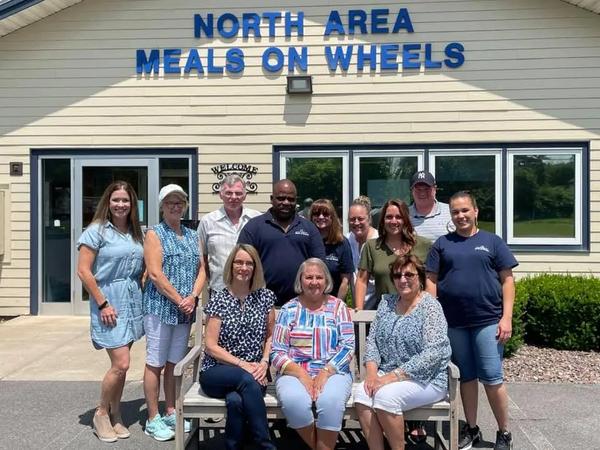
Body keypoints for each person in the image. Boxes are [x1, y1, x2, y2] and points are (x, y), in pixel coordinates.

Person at [426, 191, 518, 450]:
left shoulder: (492, 242)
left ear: (475, 211)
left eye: (465, 210)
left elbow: (507, 281)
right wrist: (434, 315)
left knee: (492, 377)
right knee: (466, 377)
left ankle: (504, 432)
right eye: (455, 212)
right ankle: (473, 428)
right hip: (454, 323)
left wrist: (506, 318)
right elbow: (431, 279)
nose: (461, 216)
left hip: (487, 321)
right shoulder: (442, 244)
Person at [354, 254, 451, 450]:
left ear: (420, 277)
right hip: (387, 373)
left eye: (409, 275)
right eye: (397, 275)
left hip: (427, 378)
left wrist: (391, 377)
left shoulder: (430, 307)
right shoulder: (387, 303)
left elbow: (432, 354)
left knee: (385, 398)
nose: (403, 279)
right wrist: (371, 374)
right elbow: (372, 342)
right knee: (362, 395)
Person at [77, 181, 145, 443]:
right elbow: (83, 271)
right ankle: (101, 413)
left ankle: (117, 413)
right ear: (108, 202)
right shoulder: (96, 231)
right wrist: (102, 303)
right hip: (108, 300)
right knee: (121, 363)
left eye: (125, 200)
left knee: (123, 365)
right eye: (116, 199)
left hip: (132, 300)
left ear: (132, 204)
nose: (120, 204)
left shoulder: (136, 232)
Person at [142, 184, 206, 441]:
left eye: (179, 202)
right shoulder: (154, 234)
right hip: (160, 308)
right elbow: (155, 274)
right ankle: (152, 418)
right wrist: (180, 299)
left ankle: (170, 410)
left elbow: (202, 269)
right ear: (162, 206)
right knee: (155, 362)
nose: (175, 206)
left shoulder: (193, 235)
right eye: (170, 202)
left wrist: (193, 296)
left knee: (173, 362)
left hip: (184, 310)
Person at [271, 258, 355, 450]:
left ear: (326, 280)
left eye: (319, 277)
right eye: (309, 277)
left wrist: (326, 372)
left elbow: (348, 346)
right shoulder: (289, 309)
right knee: (294, 401)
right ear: (300, 280)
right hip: (294, 372)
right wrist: (302, 375)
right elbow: (277, 352)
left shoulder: (338, 307)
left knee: (330, 401)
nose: (314, 282)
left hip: (334, 371)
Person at [199, 244, 277, 450]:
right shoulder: (220, 299)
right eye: (239, 262)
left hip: (256, 373)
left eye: (249, 263)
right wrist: (243, 365)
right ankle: (265, 445)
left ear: (255, 268)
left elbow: (270, 336)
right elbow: (211, 346)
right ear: (231, 266)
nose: (244, 267)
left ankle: (233, 446)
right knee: (245, 379)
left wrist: (264, 362)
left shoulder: (265, 298)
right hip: (216, 371)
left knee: (235, 401)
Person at [238, 179, 326, 306]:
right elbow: (241, 263)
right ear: (271, 199)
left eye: (291, 199)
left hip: (301, 303)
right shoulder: (254, 227)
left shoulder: (309, 228)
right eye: (281, 198)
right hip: (261, 303)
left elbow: (320, 265)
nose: (286, 202)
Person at [354, 199, 431, 310]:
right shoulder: (372, 246)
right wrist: (359, 309)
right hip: (385, 312)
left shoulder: (424, 245)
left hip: (417, 311)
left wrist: (429, 308)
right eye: (389, 217)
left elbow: (430, 281)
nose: (394, 221)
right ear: (383, 220)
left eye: (398, 217)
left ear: (406, 219)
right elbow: (361, 280)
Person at [198, 174, 260, 296]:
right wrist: (210, 281)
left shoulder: (256, 219)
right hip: (219, 290)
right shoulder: (208, 221)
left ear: (245, 196)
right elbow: (202, 259)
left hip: (252, 291)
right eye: (228, 193)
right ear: (220, 195)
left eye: (238, 193)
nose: (233, 197)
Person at [309, 199, 354, 300]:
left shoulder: (342, 243)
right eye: (316, 214)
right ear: (311, 217)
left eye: (325, 214)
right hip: (308, 301)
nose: (321, 217)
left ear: (332, 217)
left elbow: (345, 281)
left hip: (333, 301)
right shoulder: (306, 241)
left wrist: (337, 304)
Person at [347, 196, 379, 309]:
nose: (356, 223)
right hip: (356, 308)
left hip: (377, 307)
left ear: (369, 219)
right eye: (352, 219)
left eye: (360, 219)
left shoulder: (379, 241)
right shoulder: (346, 241)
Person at [408, 170, 453, 241]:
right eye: (418, 189)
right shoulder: (404, 215)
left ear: (435, 189)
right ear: (412, 191)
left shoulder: (451, 212)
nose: (422, 193)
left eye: (427, 189)